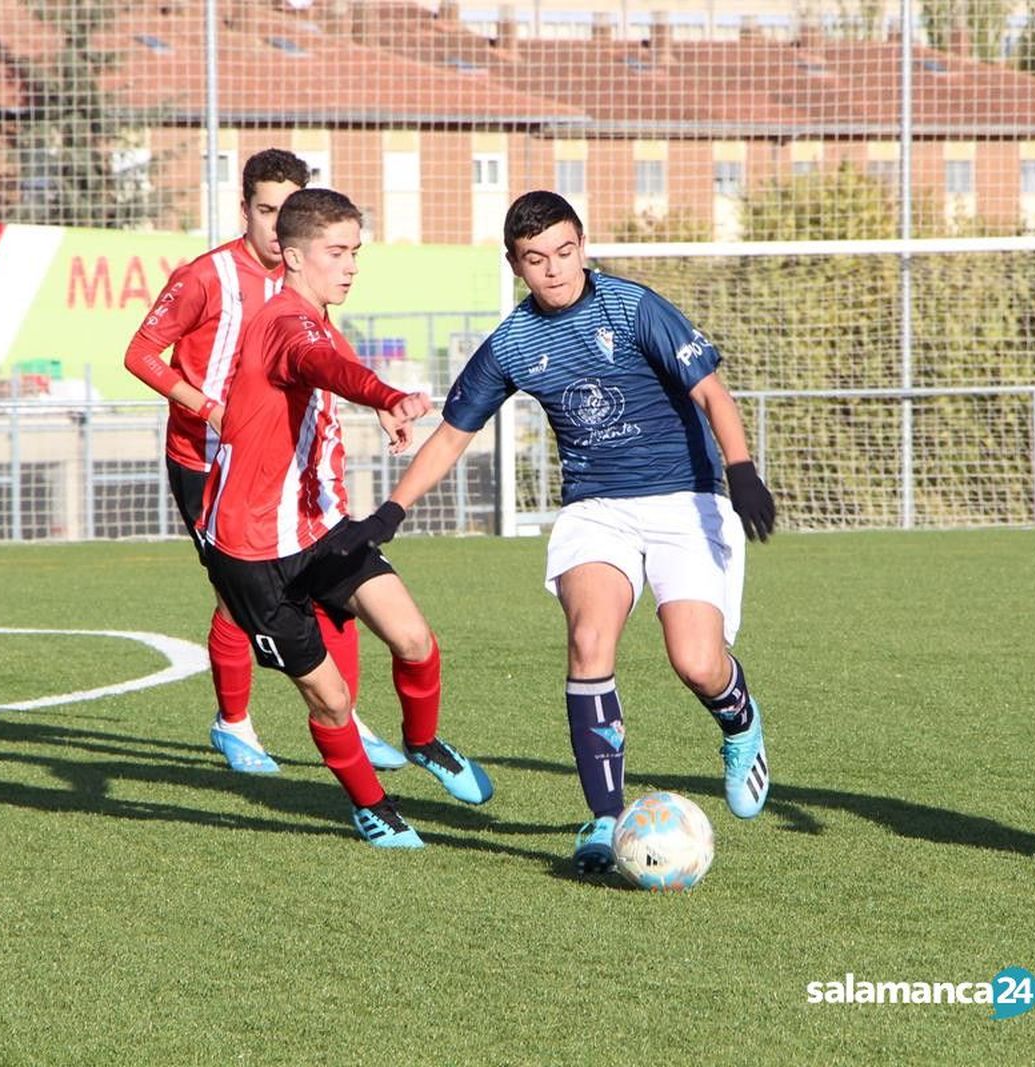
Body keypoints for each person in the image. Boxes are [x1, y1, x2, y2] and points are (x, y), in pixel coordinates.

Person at [332, 191, 775, 873]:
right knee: (588, 637)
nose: (555, 270)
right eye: (536, 259)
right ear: (516, 265)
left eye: (565, 253)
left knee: (696, 661)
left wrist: (741, 472)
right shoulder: (513, 341)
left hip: (685, 500)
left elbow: (711, 391)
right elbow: (452, 436)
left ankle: (739, 720)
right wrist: (389, 513)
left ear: (583, 246)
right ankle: (603, 816)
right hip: (596, 509)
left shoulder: (631, 307)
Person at [200, 187, 494, 848]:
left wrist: (376, 405)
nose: (352, 265)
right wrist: (386, 393)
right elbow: (317, 363)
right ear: (294, 256)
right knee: (331, 699)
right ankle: (371, 806)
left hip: (316, 526)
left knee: (415, 639)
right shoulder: (282, 322)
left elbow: (328, 365)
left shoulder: (317, 317)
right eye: (337, 251)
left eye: (356, 251)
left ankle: (423, 742)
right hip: (253, 556)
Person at [122, 149, 405, 776]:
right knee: (238, 598)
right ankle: (234, 725)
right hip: (208, 463)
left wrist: (376, 398)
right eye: (266, 211)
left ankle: (346, 716)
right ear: (244, 208)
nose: (277, 229)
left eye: (287, 213)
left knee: (336, 586)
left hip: (288, 465)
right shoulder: (207, 276)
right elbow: (140, 352)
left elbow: (323, 348)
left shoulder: (306, 275)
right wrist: (206, 406)